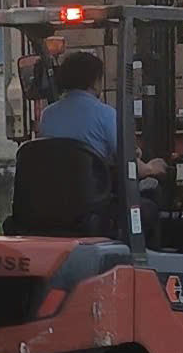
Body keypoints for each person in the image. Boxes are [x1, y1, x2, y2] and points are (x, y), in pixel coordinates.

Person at [39, 50, 167, 239]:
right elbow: (130, 166)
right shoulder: (106, 114)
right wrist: (152, 167)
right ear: (95, 81)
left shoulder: (47, 115)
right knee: (149, 206)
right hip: (94, 207)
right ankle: (143, 254)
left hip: (56, 205)